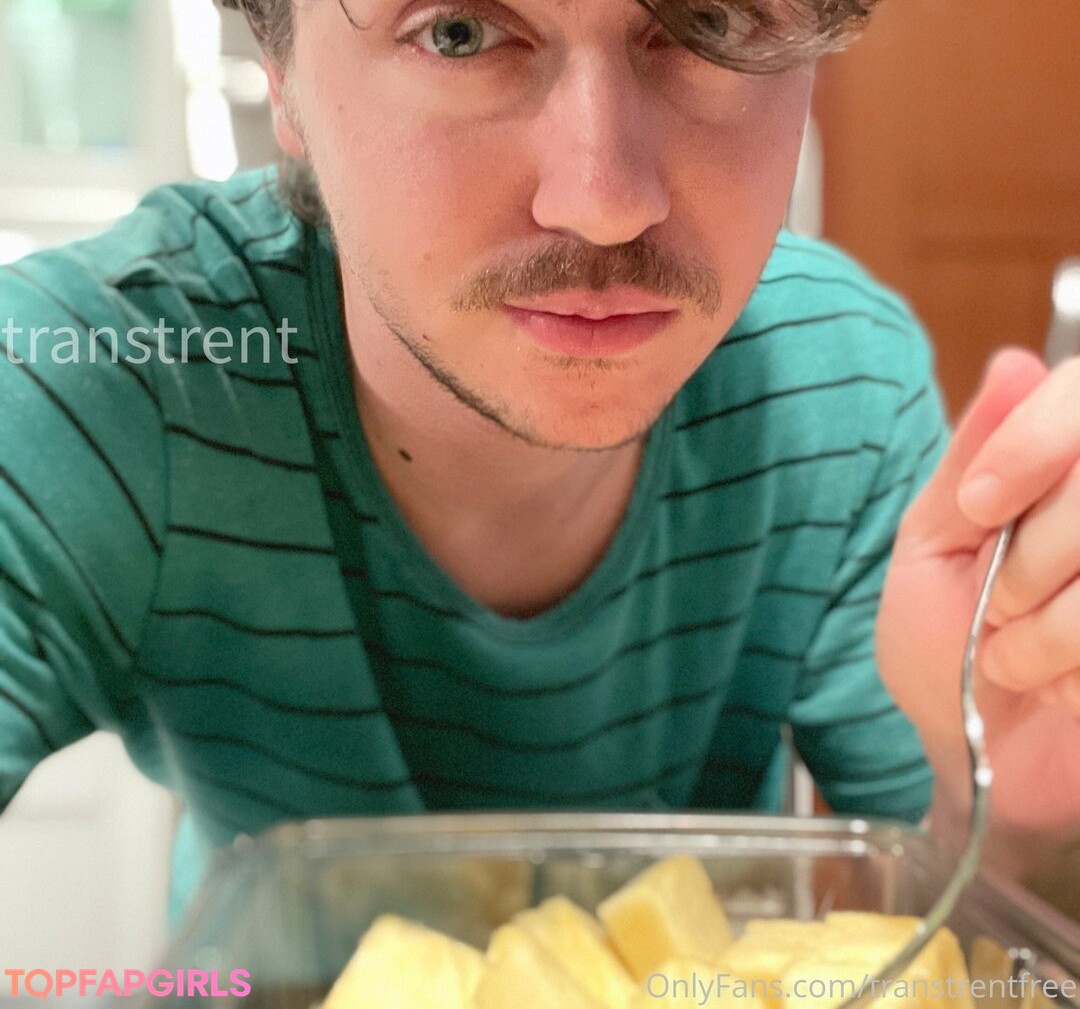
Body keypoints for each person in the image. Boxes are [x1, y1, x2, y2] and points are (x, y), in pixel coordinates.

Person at [0, 0, 1076, 921]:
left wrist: (1020, 815)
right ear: (282, 76)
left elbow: (950, 938)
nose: (605, 200)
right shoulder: (109, 375)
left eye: (712, 20)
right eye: (460, 32)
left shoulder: (838, 384)